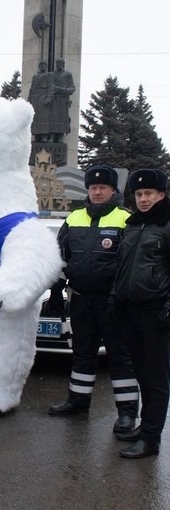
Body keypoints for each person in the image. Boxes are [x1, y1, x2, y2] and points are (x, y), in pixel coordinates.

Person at [47, 164, 139, 433]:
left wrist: (119, 298)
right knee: (82, 353)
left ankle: (127, 413)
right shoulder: (74, 218)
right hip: (81, 300)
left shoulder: (125, 219)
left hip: (113, 302)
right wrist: (55, 289)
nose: (97, 192)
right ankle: (77, 402)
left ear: (113, 190)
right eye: (93, 187)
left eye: (103, 188)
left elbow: (129, 265)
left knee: (120, 357)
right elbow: (61, 257)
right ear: (88, 190)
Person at [109, 169, 170, 459]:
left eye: (149, 194)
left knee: (156, 379)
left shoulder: (166, 225)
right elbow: (121, 269)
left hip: (157, 313)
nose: (143, 199)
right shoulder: (132, 226)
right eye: (139, 194)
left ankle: (151, 439)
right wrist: (114, 302)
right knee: (142, 375)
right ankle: (145, 427)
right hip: (131, 312)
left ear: (162, 195)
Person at [49, 58, 75, 143]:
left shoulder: (68, 74)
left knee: (62, 119)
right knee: (53, 118)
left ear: (63, 64)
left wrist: (61, 90)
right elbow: (49, 87)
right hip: (54, 100)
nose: (58, 65)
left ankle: (60, 137)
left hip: (63, 100)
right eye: (57, 63)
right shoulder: (52, 74)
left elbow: (72, 88)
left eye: (60, 63)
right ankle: (51, 136)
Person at [28, 60, 54, 143]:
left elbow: (51, 87)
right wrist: (29, 99)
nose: (42, 66)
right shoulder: (35, 76)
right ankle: (36, 135)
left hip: (44, 97)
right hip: (35, 98)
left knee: (44, 118)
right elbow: (32, 88)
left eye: (44, 65)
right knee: (36, 118)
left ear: (46, 66)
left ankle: (44, 136)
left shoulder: (49, 75)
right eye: (41, 65)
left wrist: (49, 98)